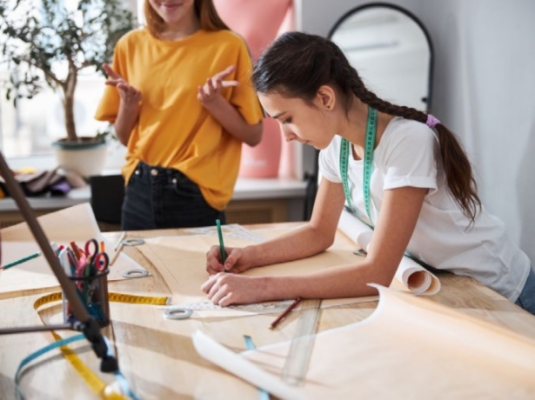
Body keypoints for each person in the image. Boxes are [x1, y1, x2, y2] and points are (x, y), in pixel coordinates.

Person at [202, 31, 535, 316]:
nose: (286, 135)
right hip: (445, 283)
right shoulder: (336, 146)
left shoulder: (408, 142)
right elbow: (319, 231)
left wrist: (261, 288)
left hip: (498, 288)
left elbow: (378, 271)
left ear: (325, 97)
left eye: (287, 119)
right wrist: (247, 256)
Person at [94, 0, 263, 230]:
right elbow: (124, 138)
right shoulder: (129, 45)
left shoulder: (228, 45)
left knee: (201, 268)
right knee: (136, 267)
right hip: (138, 191)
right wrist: (129, 105)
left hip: (195, 194)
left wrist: (215, 103)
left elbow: (254, 135)